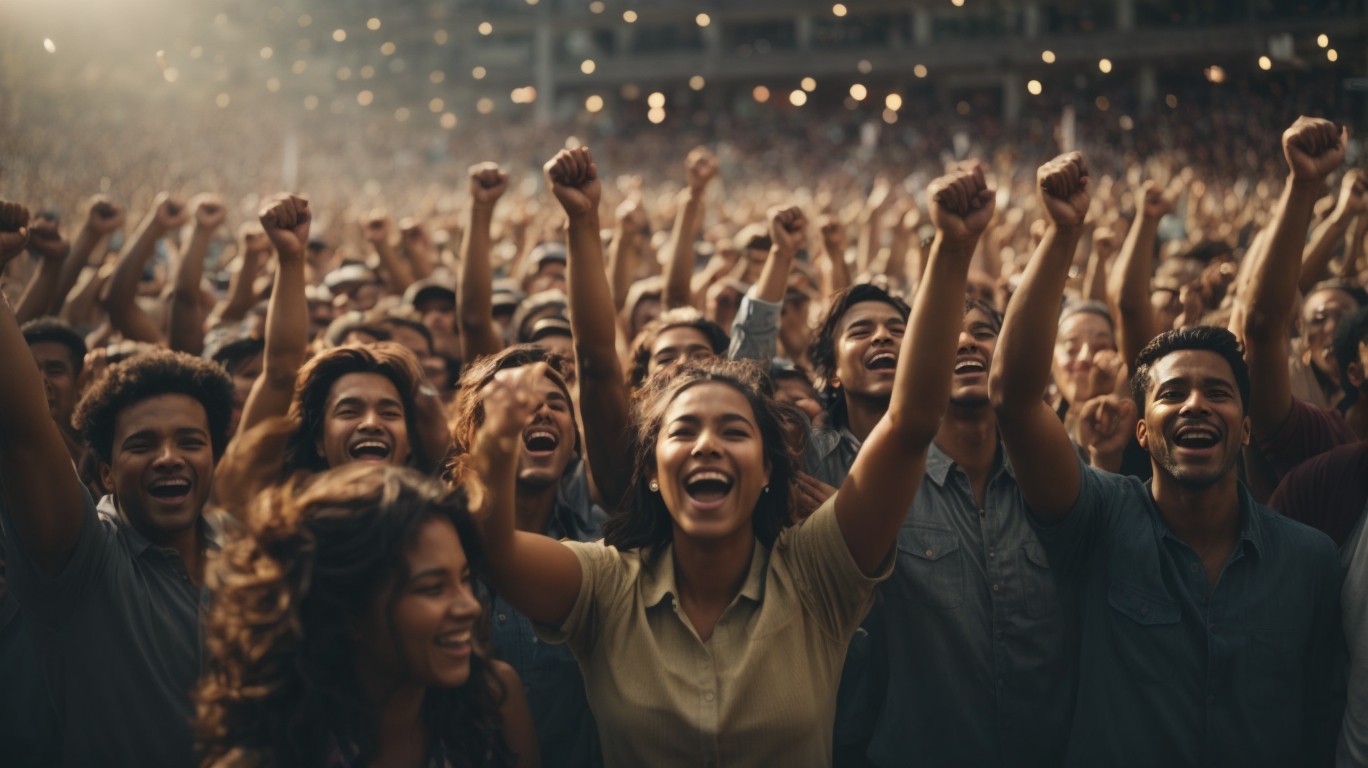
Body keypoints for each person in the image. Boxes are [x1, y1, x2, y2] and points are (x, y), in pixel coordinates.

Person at [467, 144, 964, 767]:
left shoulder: (817, 575)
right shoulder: (605, 588)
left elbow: (912, 421)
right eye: (683, 432)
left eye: (733, 430)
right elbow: (496, 546)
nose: (706, 444)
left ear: (766, 471)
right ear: (648, 472)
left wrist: (951, 250)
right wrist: (496, 437)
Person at [989, 151, 1344, 766]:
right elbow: (1014, 398)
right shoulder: (1096, 520)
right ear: (1145, 433)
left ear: (1248, 424)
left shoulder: (1308, 559)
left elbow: (1320, 718)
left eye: (1219, 393)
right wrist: (1062, 234)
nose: (1196, 405)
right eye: (1172, 394)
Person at [852, 165, 1079, 767]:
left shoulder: (1056, 480)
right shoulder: (879, 486)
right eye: (946, 332)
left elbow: (1021, 392)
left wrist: (1062, 236)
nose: (965, 343)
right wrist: (952, 247)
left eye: (984, 333)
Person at [1, 196, 236, 765]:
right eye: (141, 444)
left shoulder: (248, 552)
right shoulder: (81, 559)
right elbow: (26, 429)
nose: (168, 458)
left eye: (190, 441)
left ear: (213, 459)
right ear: (104, 472)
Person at [196, 464, 535, 768]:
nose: (470, 607)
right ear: (348, 611)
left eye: (463, 579)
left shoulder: (495, 706)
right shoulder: (266, 759)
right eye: (433, 588)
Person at [448, 345, 605, 768]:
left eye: (556, 404)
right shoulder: (433, 544)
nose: (539, 413)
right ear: (472, 434)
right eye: (518, 405)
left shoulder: (603, 545)